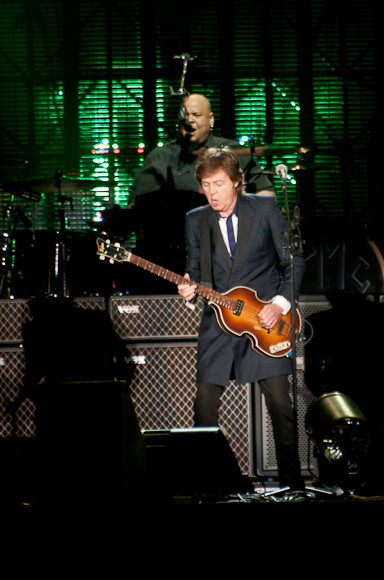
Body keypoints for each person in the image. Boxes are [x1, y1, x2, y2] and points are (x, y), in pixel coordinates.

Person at [177, 146, 306, 491]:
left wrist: (278, 304)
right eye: (206, 185)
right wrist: (189, 293)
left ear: (236, 182)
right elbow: (195, 273)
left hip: (264, 320)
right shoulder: (195, 219)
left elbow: (294, 263)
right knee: (203, 408)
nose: (212, 192)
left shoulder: (264, 209)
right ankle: (214, 486)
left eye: (218, 184)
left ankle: (293, 486)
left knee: (280, 403)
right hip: (218, 324)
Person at [130, 93, 274, 291]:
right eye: (185, 115)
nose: (190, 120)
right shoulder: (160, 158)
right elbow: (137, 208)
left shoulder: (234, 152)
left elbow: (267, 197)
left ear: (211, 119)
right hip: (173, 260)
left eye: (196, 114)